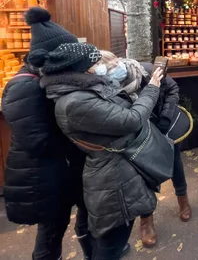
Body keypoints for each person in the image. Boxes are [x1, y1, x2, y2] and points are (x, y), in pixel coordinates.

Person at [31, 42, 163, 260]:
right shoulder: (77, 100)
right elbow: (131, 120)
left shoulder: (81, 91)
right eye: (95, 63)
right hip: (113, 175)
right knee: (112, 242)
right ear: (81, 69)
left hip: (114, 167)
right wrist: (152, 89)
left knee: (111, 238)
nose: (99, 67)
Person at [1, 7, 92, 260]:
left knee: (78, 221)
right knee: (51, 235)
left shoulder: (45, 80)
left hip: (63, 172)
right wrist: (80, 137)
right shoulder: (24, 87)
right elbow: (37, 141)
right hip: (43, 177)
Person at [99, 51, 191, 248]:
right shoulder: (104, 87)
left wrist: (165, 117)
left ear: (118, 63)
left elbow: (172, 88)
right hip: (137, 132)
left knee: (174, 162)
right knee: (141, 172)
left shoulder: (146, 71)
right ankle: (146, 220)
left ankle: (183, 199)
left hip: (163, 125)